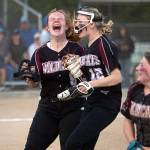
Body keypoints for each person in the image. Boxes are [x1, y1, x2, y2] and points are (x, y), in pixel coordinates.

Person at [24, 8, 85, 150]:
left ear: (67, 26)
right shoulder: (39, 53)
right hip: (48, 108)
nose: (56, 21)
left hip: (73, 107)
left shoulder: (78, 50)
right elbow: (33, 83)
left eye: (60, 19)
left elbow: (88, 81)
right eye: (52, 19)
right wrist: (28, 77)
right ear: (47, 27)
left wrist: (79, 73)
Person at [65, 6, 122, 150]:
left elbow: (116, 77)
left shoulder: (104, 44)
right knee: (84, 146)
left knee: (72, 144)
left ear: (91, 23)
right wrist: (76, 69)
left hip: (106, 104)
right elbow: (87, 80)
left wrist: (90, 83)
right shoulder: (87, 48)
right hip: (92, 102)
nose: (76, 24)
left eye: (80, 21)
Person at [121, 51, 150, 150]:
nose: (137, 68)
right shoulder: (135, 89)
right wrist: (133, 144)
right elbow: (127, 119)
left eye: (142, 65)